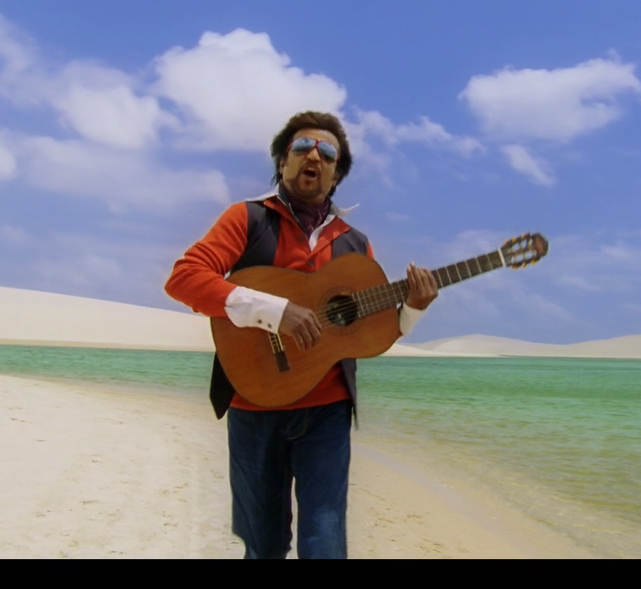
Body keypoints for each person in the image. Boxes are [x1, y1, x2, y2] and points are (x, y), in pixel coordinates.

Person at [165, 110, 438, 559]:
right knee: (263, 545)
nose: (314, 156)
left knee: (325, 544)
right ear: (282, 161)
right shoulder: (248, 218)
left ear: (336, 174)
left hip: (327, 411)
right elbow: (185, 278)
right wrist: (275, 312)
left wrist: (413, 308)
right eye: (302, 147)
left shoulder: (355, 243)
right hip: (253, 404)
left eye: (327, 153)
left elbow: (371, 333)